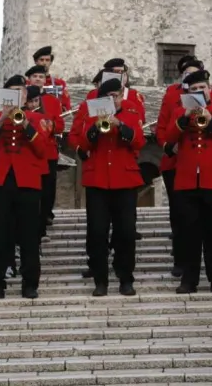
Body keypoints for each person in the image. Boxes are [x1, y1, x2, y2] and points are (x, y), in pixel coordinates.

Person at [165, 69, 212, 294]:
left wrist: (211, 121)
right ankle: (189, 280)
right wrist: (185, 117)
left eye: (201, 88)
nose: (198, 91)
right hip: (186, 181)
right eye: (193, 89)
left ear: (209, 89)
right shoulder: (180, 113)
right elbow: (168, 138)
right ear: (187, 92)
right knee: (189, 232)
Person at [75, 78, 145, 296]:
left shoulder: (131, 115)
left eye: (116, 95)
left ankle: (126, 278)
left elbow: (139, 142)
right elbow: (84, 145)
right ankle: (100, 281)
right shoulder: (90, 117)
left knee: (126, 232)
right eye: (108, 97)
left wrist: (119, 124)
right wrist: (96, 128)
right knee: (97, 232)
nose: (112, 99)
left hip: (125, 181)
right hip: (97, 181)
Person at [156, 57, 212, 277]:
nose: (193, 82)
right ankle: (181, 262)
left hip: (203, 167)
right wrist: (169, 146)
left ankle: (210, 271)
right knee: (180, 217)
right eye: (188, 76)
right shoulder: (171, 97)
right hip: (176, 163)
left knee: (207, 224)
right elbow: (162, 128)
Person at [0, 75, 47, 300]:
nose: (16, 95)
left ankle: (30, 283)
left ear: (25, 96)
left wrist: (26, 124)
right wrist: (1, 120)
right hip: (1, 180)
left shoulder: (37, 119)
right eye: (11, 91)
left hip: (27, 181)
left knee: (29, 235)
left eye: (20, 91)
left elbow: (42, 150)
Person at [25, 65, 65, 238]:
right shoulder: (22, 100)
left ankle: (43, 224)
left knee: (47, 192)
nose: (38, 79)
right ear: (29, 79)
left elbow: (61, 125)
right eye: (34, 76)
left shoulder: (53, 101)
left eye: (41, 76)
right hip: (27, 153)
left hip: (47, 150)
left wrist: (47, 126)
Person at [87, 58, 146, 125]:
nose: (121, 75)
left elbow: (140, 120)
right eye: (117, 72)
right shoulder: (93, 93)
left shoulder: (133, 94)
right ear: (107, 74)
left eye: (123, 72)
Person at [32, 46, 72, 112]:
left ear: (50, 62)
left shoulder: (60, 83)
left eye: (47, 60)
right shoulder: (27, 83)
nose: (44, 63)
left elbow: (66, 107)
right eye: (41, 60)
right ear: (36, 62)